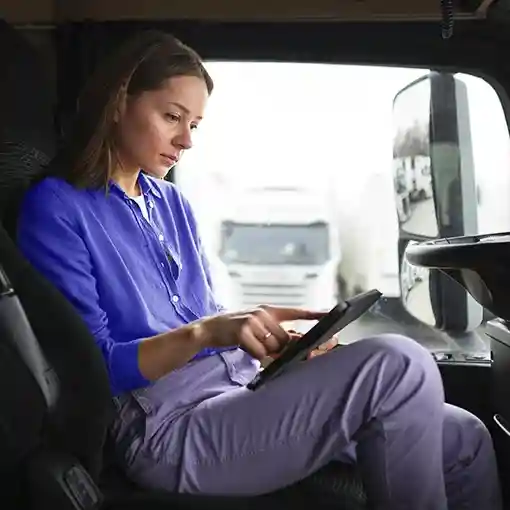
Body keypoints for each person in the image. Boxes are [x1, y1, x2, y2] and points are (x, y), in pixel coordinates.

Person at [16, 30, 502, 510]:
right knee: (398, 363)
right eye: (172, 117)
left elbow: (201, 317)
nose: (186, 140)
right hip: (166, 425)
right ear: (119, 102)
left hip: (236, 388)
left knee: (465, 438)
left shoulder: (170, 203)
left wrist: (273, 345)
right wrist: (208, 333)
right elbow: (92, 370)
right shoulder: (57, 208)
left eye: (195, 125)